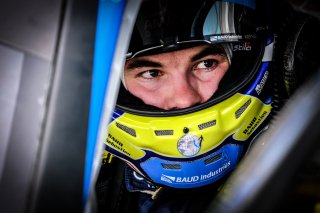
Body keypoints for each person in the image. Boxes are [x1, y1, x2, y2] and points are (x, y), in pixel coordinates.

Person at [96, 0, 276, 212]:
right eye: (151, 73)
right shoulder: (75, 172)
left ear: (239, 63)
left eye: (206, 64)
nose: (184, 99)